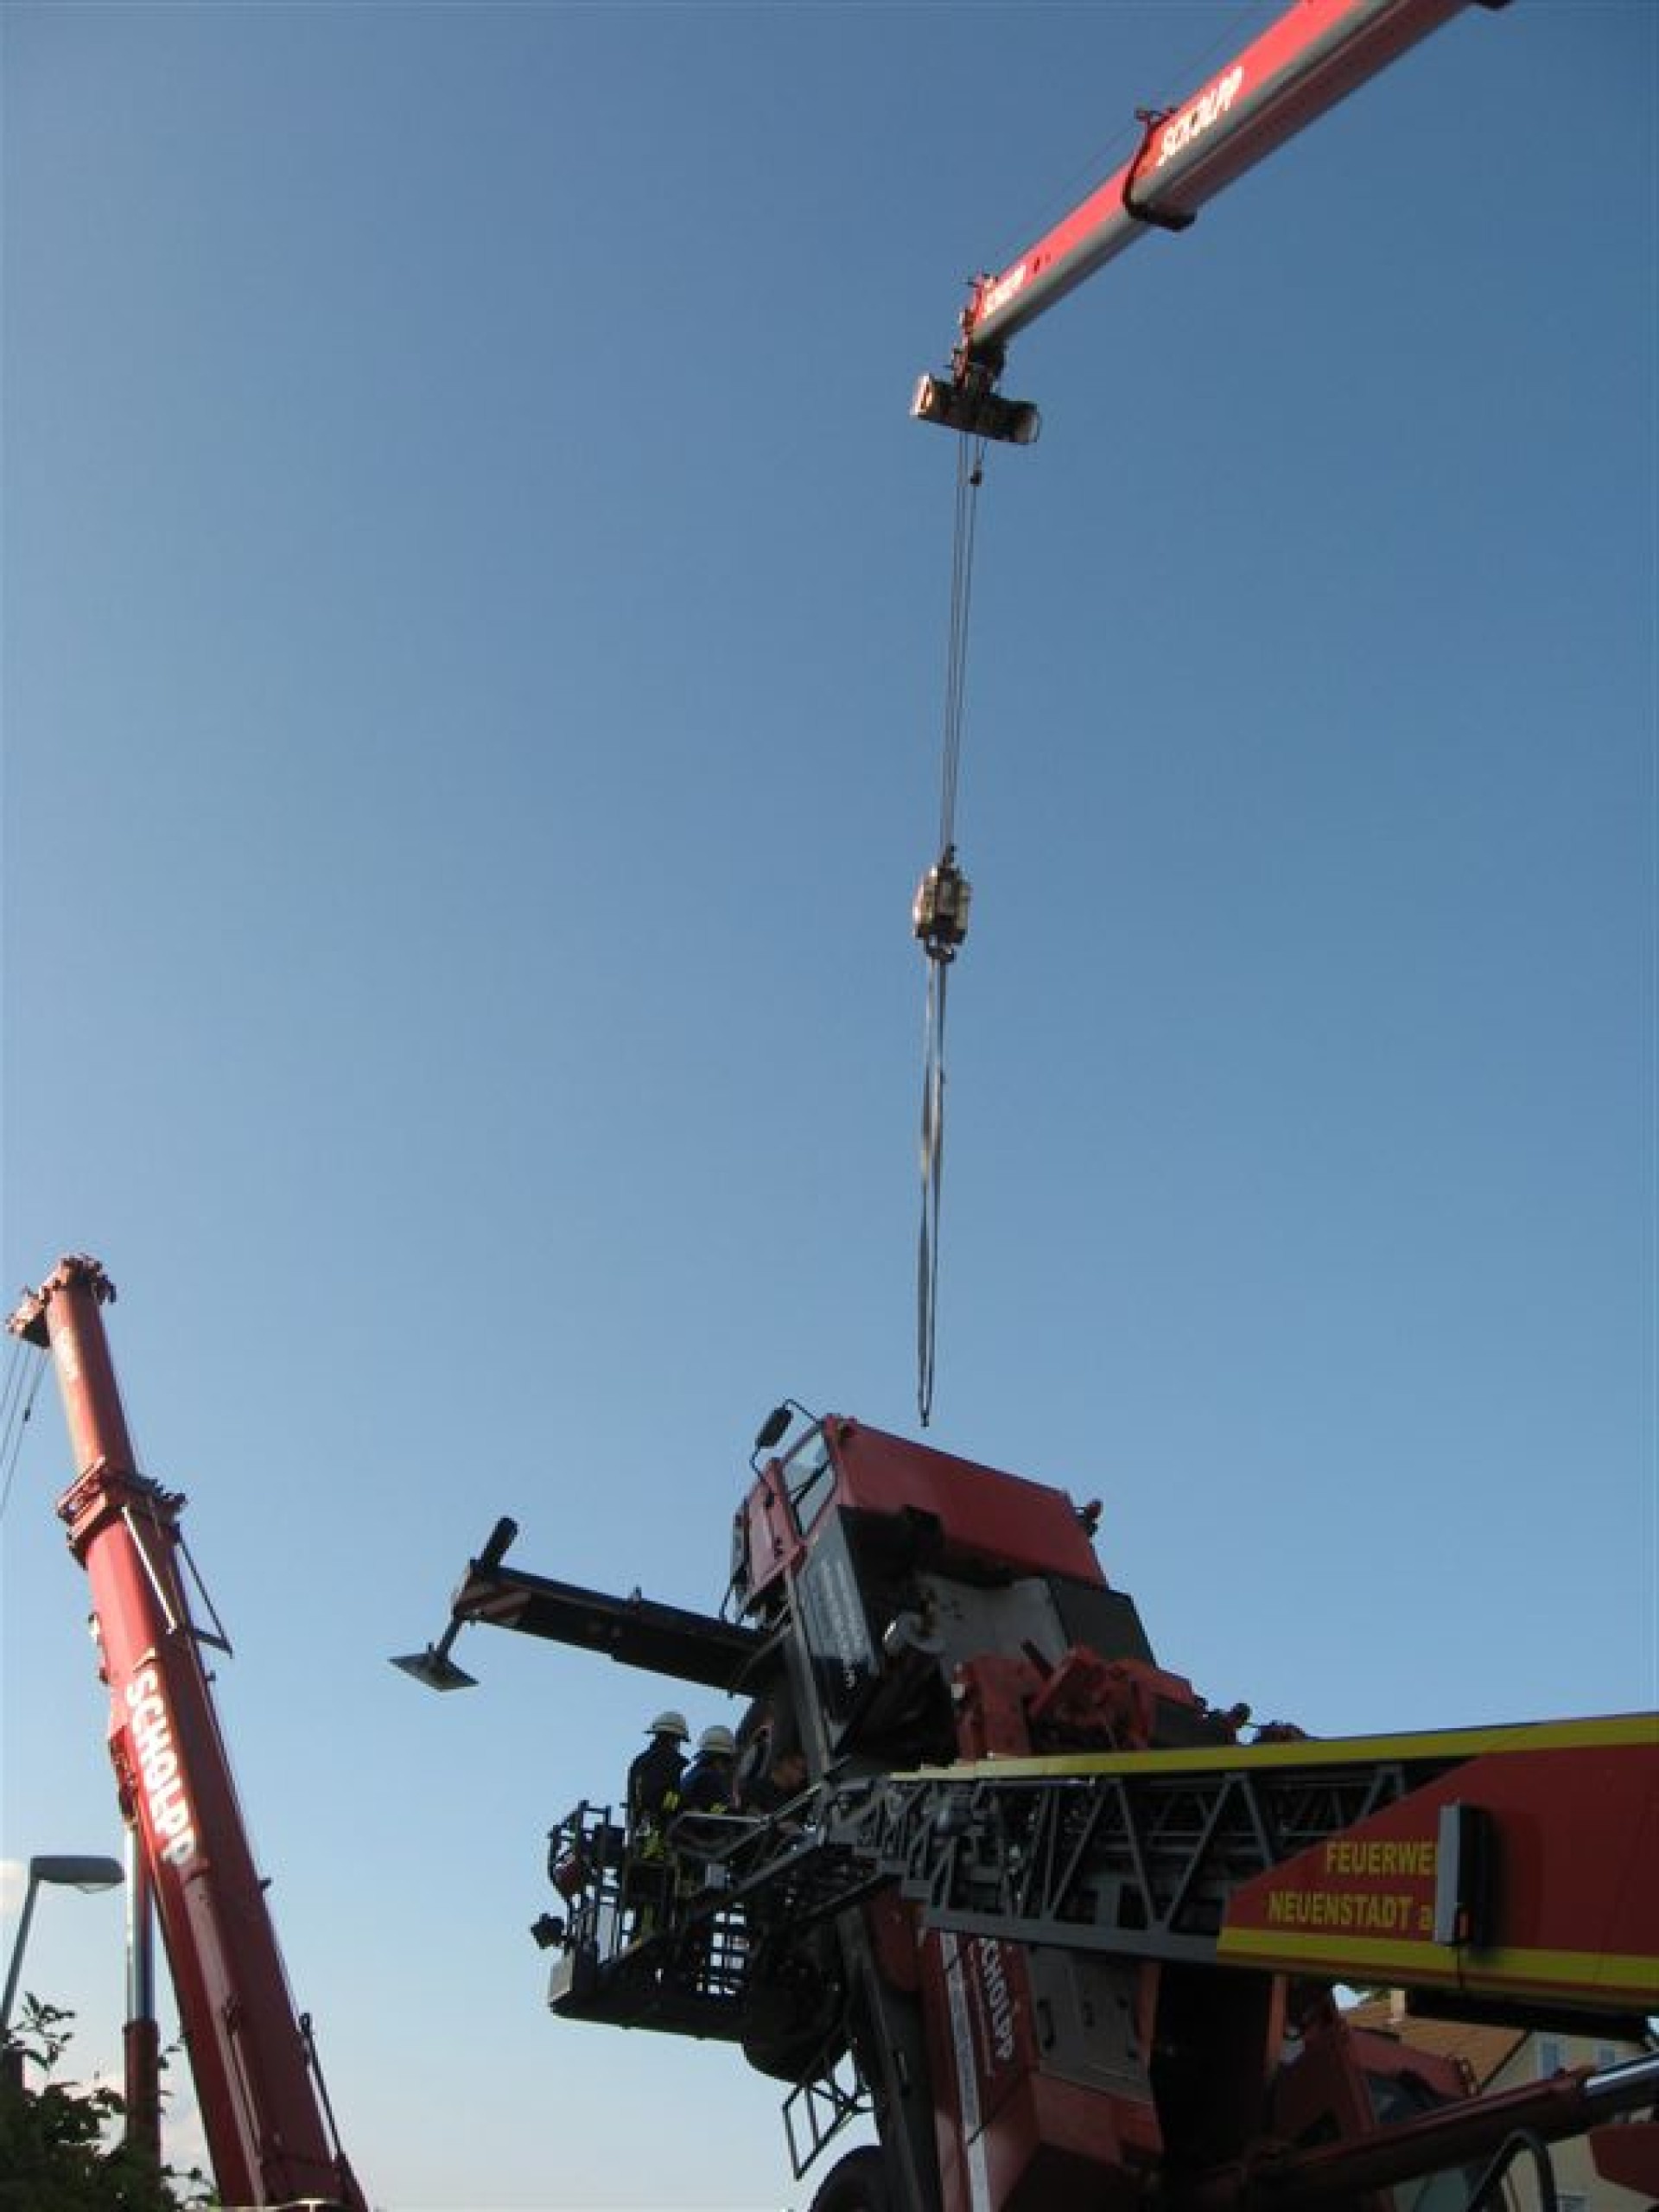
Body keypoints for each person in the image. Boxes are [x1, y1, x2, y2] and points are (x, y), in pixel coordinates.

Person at [622, 1709, 688, 1938]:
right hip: (658, 1837)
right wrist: (682, 1808)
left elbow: (636, 1800)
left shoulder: (640, 1762)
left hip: (640, 1834)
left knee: (644, 1894)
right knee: (658, 1891)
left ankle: (641, 1934)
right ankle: (650, 1936)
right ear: (676, 1739)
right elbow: (666, 1799)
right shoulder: (669, 1762)